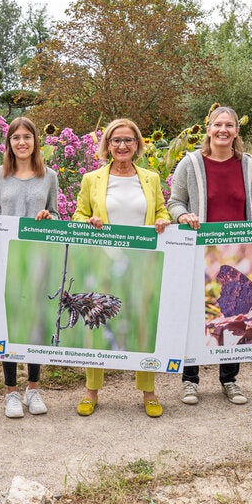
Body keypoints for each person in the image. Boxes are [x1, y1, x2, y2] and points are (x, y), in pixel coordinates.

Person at [167, 106, 252, 406]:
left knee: (237, 311)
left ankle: (229, 379)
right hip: (200, 249)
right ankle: (190, 380)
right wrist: (184, 217)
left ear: (237, 131)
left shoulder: (246, 164)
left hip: (235, 250)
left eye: (230, 126)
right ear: (208, 129)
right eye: (218, 125)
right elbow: (174, 202)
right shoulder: (191, 163)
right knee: (197, 313)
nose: (223, 130)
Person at [72, 118, 171, 418]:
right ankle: (92, 391)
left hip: (142, 264)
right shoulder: (93, 179)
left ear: (137, 145)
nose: (122, 145)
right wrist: (88, 222)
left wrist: (163, 221)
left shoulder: (151, 178)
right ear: (108, 145)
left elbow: (161, 211)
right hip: (105, 261)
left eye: (128, 140)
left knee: (142, 321)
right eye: (116, 140)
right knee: (97, 321)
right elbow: (78, 215)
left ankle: (148, 391)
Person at [0, 117, 60, 418]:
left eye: (27, 137)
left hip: (38, 256)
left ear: (35, 141)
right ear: (9, 143)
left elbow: (55, 212)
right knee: (9, 323)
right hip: (6, 259)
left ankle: (32, 387)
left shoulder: (49, 176)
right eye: (15, 137)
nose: (21, 142)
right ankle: (10, 392)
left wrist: (48, 217)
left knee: (34, 322)